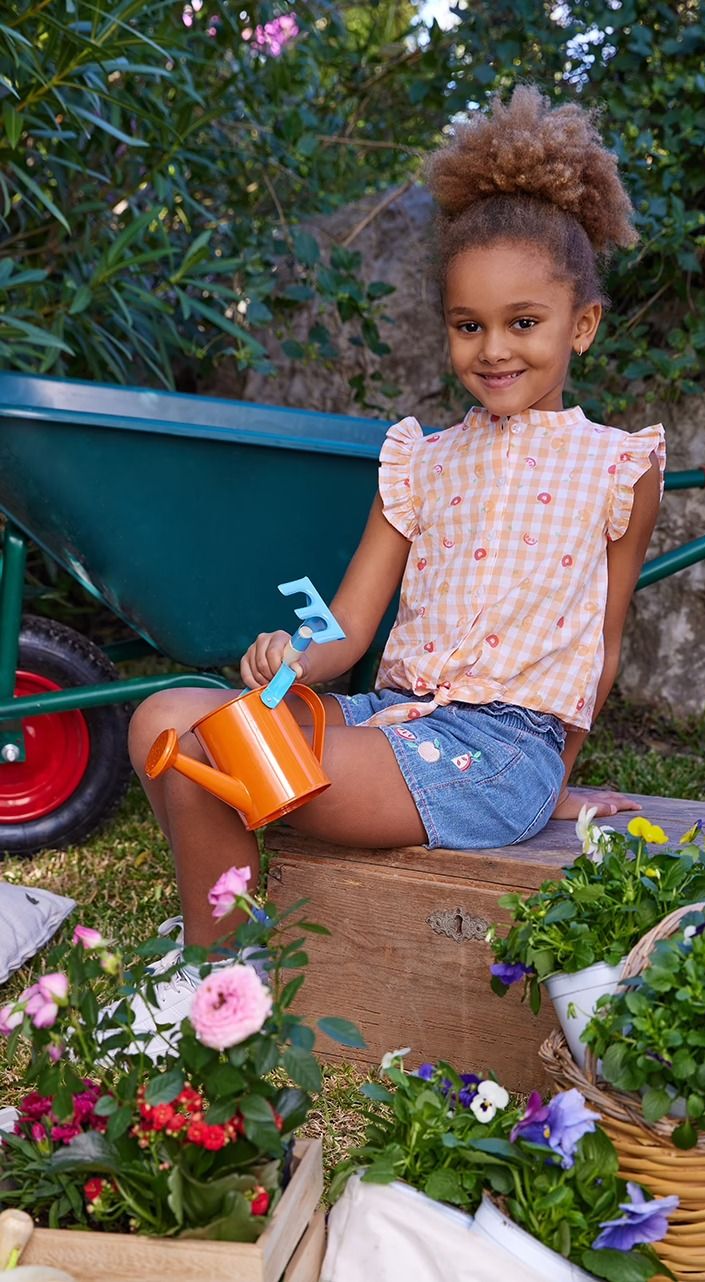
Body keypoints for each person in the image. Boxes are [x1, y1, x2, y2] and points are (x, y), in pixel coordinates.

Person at [124, 85, 665, 1040]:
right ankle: (215, 966)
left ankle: (223, 977)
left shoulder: (618, 465)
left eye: (523, 323)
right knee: (165, 718)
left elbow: (604, 644)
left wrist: (554, 781)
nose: (493, 350)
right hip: (394, 719)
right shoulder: (420, 458)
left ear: (580, 324)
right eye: (468, 325)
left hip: (500, 753)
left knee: (226, 747)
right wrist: (291, 655)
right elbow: (350, 625)